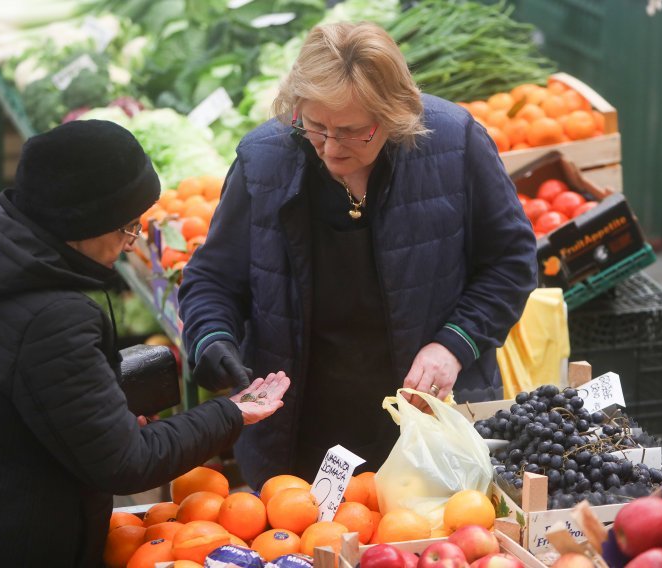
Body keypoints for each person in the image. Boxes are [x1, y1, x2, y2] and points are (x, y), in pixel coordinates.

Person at [178, 21, 536, 488]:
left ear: (394, 113)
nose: (330, 148)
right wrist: (213, 340)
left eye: (352, 132)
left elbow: (511, 262)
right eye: (315, 126)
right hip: (299, 426)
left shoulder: (455, 143)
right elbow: (212, 279)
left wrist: (454, 343)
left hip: (430, 417)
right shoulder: (261, 160)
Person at [0, 119, 290, 567]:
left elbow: (8, 404)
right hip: (3, 543)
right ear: (83, 222)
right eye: (127, 227)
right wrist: (232, 412)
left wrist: (97, 414)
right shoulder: (50, 316)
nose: (133, 244)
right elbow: (126, 463)